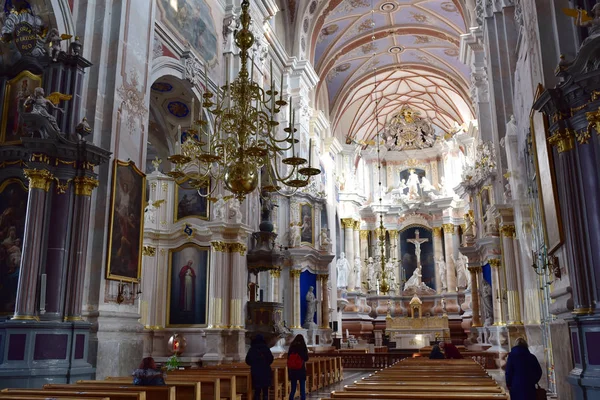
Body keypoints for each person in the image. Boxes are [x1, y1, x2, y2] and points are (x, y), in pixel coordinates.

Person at [245, 334, 274, 400]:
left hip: (255, 371)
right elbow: (271, 359)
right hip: (265, 371)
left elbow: (247, 360)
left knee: (257, 390)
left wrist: (254, 364)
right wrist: (266, 364)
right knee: (265, 391)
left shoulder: (252, 349)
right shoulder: (266, 348)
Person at [287, 334, 309, 400]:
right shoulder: (302, 346)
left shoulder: (292, 346)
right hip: (301, 369)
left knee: (293, 388)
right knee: (302, 389)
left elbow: (288, 357)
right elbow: (306, 358)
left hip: (293, 370)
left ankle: (291, 398)